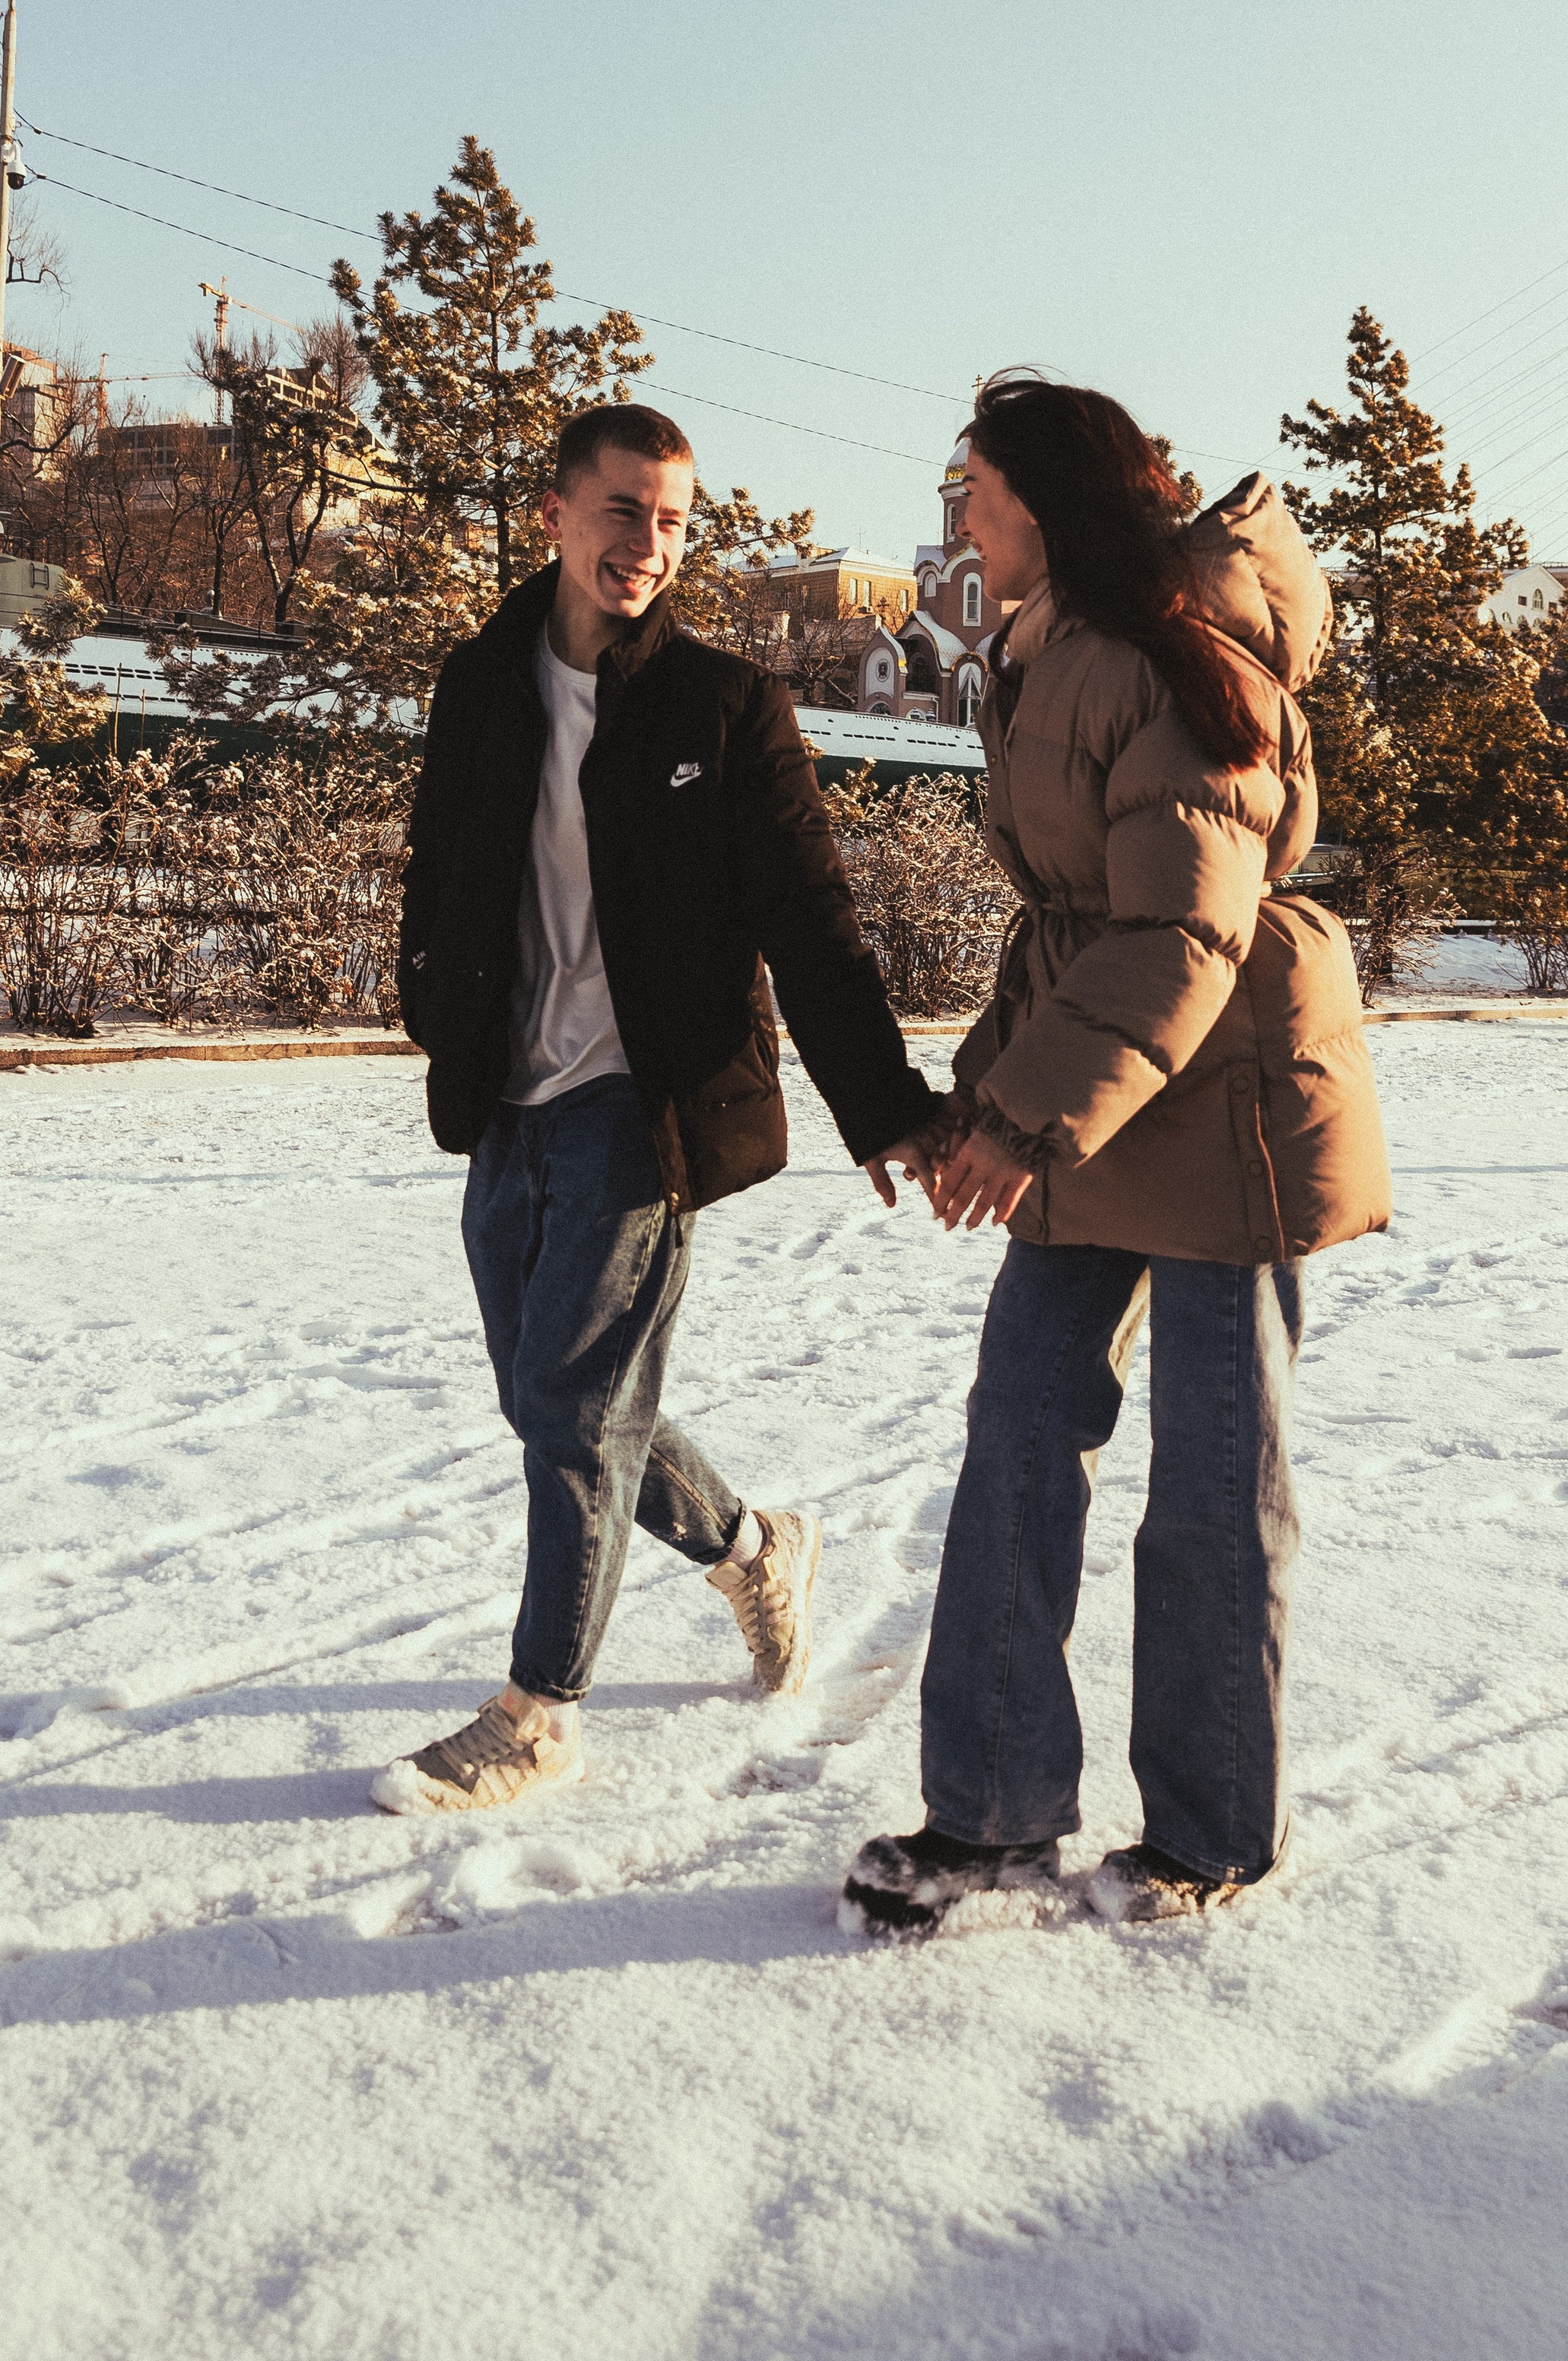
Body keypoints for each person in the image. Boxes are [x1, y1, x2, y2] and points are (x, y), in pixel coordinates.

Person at [843, 375, 1392, 1933]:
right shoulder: (1047, 650)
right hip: (1106, 1090)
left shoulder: (1167, 648)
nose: (958, 512)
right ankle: (995, 1812)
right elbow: (1071, 929)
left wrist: (1031, 1119)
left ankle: (1210, 1831)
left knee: (1214, 1481)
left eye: (976, 485)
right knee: (1017, 1428)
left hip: (1224, 1105)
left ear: (1045, 496)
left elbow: (1180, 924)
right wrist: (978, 1098)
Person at [373, 402, 937, 1816]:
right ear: (558, 515)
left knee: (574, 1405)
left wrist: (883, 1108)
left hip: (646, 1101)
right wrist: (434, 1006)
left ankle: (539, 1713)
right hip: (508, 1088)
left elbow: (810, 919)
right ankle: (755, 1544)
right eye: (624, 509)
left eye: (675, 519)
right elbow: (437, 868)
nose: (649, 543)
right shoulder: (481, 683)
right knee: (555, 1401)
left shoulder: (725, 705)